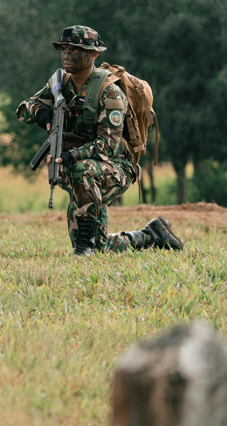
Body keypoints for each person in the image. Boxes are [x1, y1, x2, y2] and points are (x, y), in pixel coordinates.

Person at [16, 25, 183, 255]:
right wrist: (41, 114)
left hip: (116, 167)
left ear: (93, 55)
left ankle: (85, 246)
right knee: (102, 246)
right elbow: (23, 109)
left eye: (75, 50)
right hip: (79, 169)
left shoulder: (109, 92)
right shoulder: (60, 84)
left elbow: (108, 146)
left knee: (82, 171)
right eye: (64, 49)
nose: (67, 55)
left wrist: (70, 156)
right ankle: (149, 236)